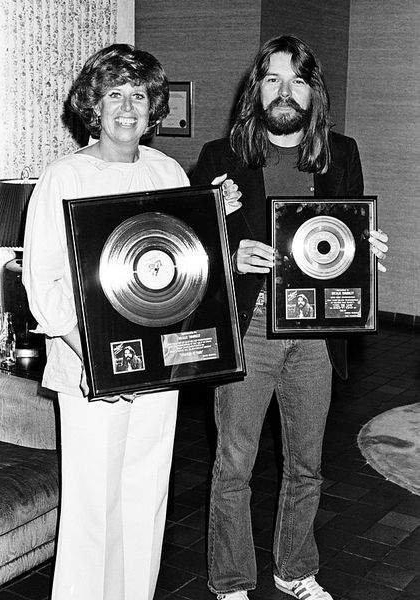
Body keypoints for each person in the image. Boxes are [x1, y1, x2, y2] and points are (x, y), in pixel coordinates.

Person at [23, 44, 239, 600]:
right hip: (89, 370)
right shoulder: (63, 176)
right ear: (93, 106)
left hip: (157, 368)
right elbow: (43, 286)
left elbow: (181, 264)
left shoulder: (166, 170)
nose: (126, 108)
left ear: (153, 107)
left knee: (146, 496)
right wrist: (99, 359)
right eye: (114, 94)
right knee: (93, 505)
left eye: (138, 95)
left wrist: (214, 214)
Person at [190, 35, 388, 600]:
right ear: (257, 89)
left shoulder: (341, 153)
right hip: (250, 325)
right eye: (273, 78)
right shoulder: (220, 157)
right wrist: (228, 253)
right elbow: (188, 248)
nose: (285, 90)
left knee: (307, 463)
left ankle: (295, 569)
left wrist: (363, 253)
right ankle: (231, 581)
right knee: (234, 465)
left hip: (316, 332)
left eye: (297, 80)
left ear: (312, 92)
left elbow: (344, 236)